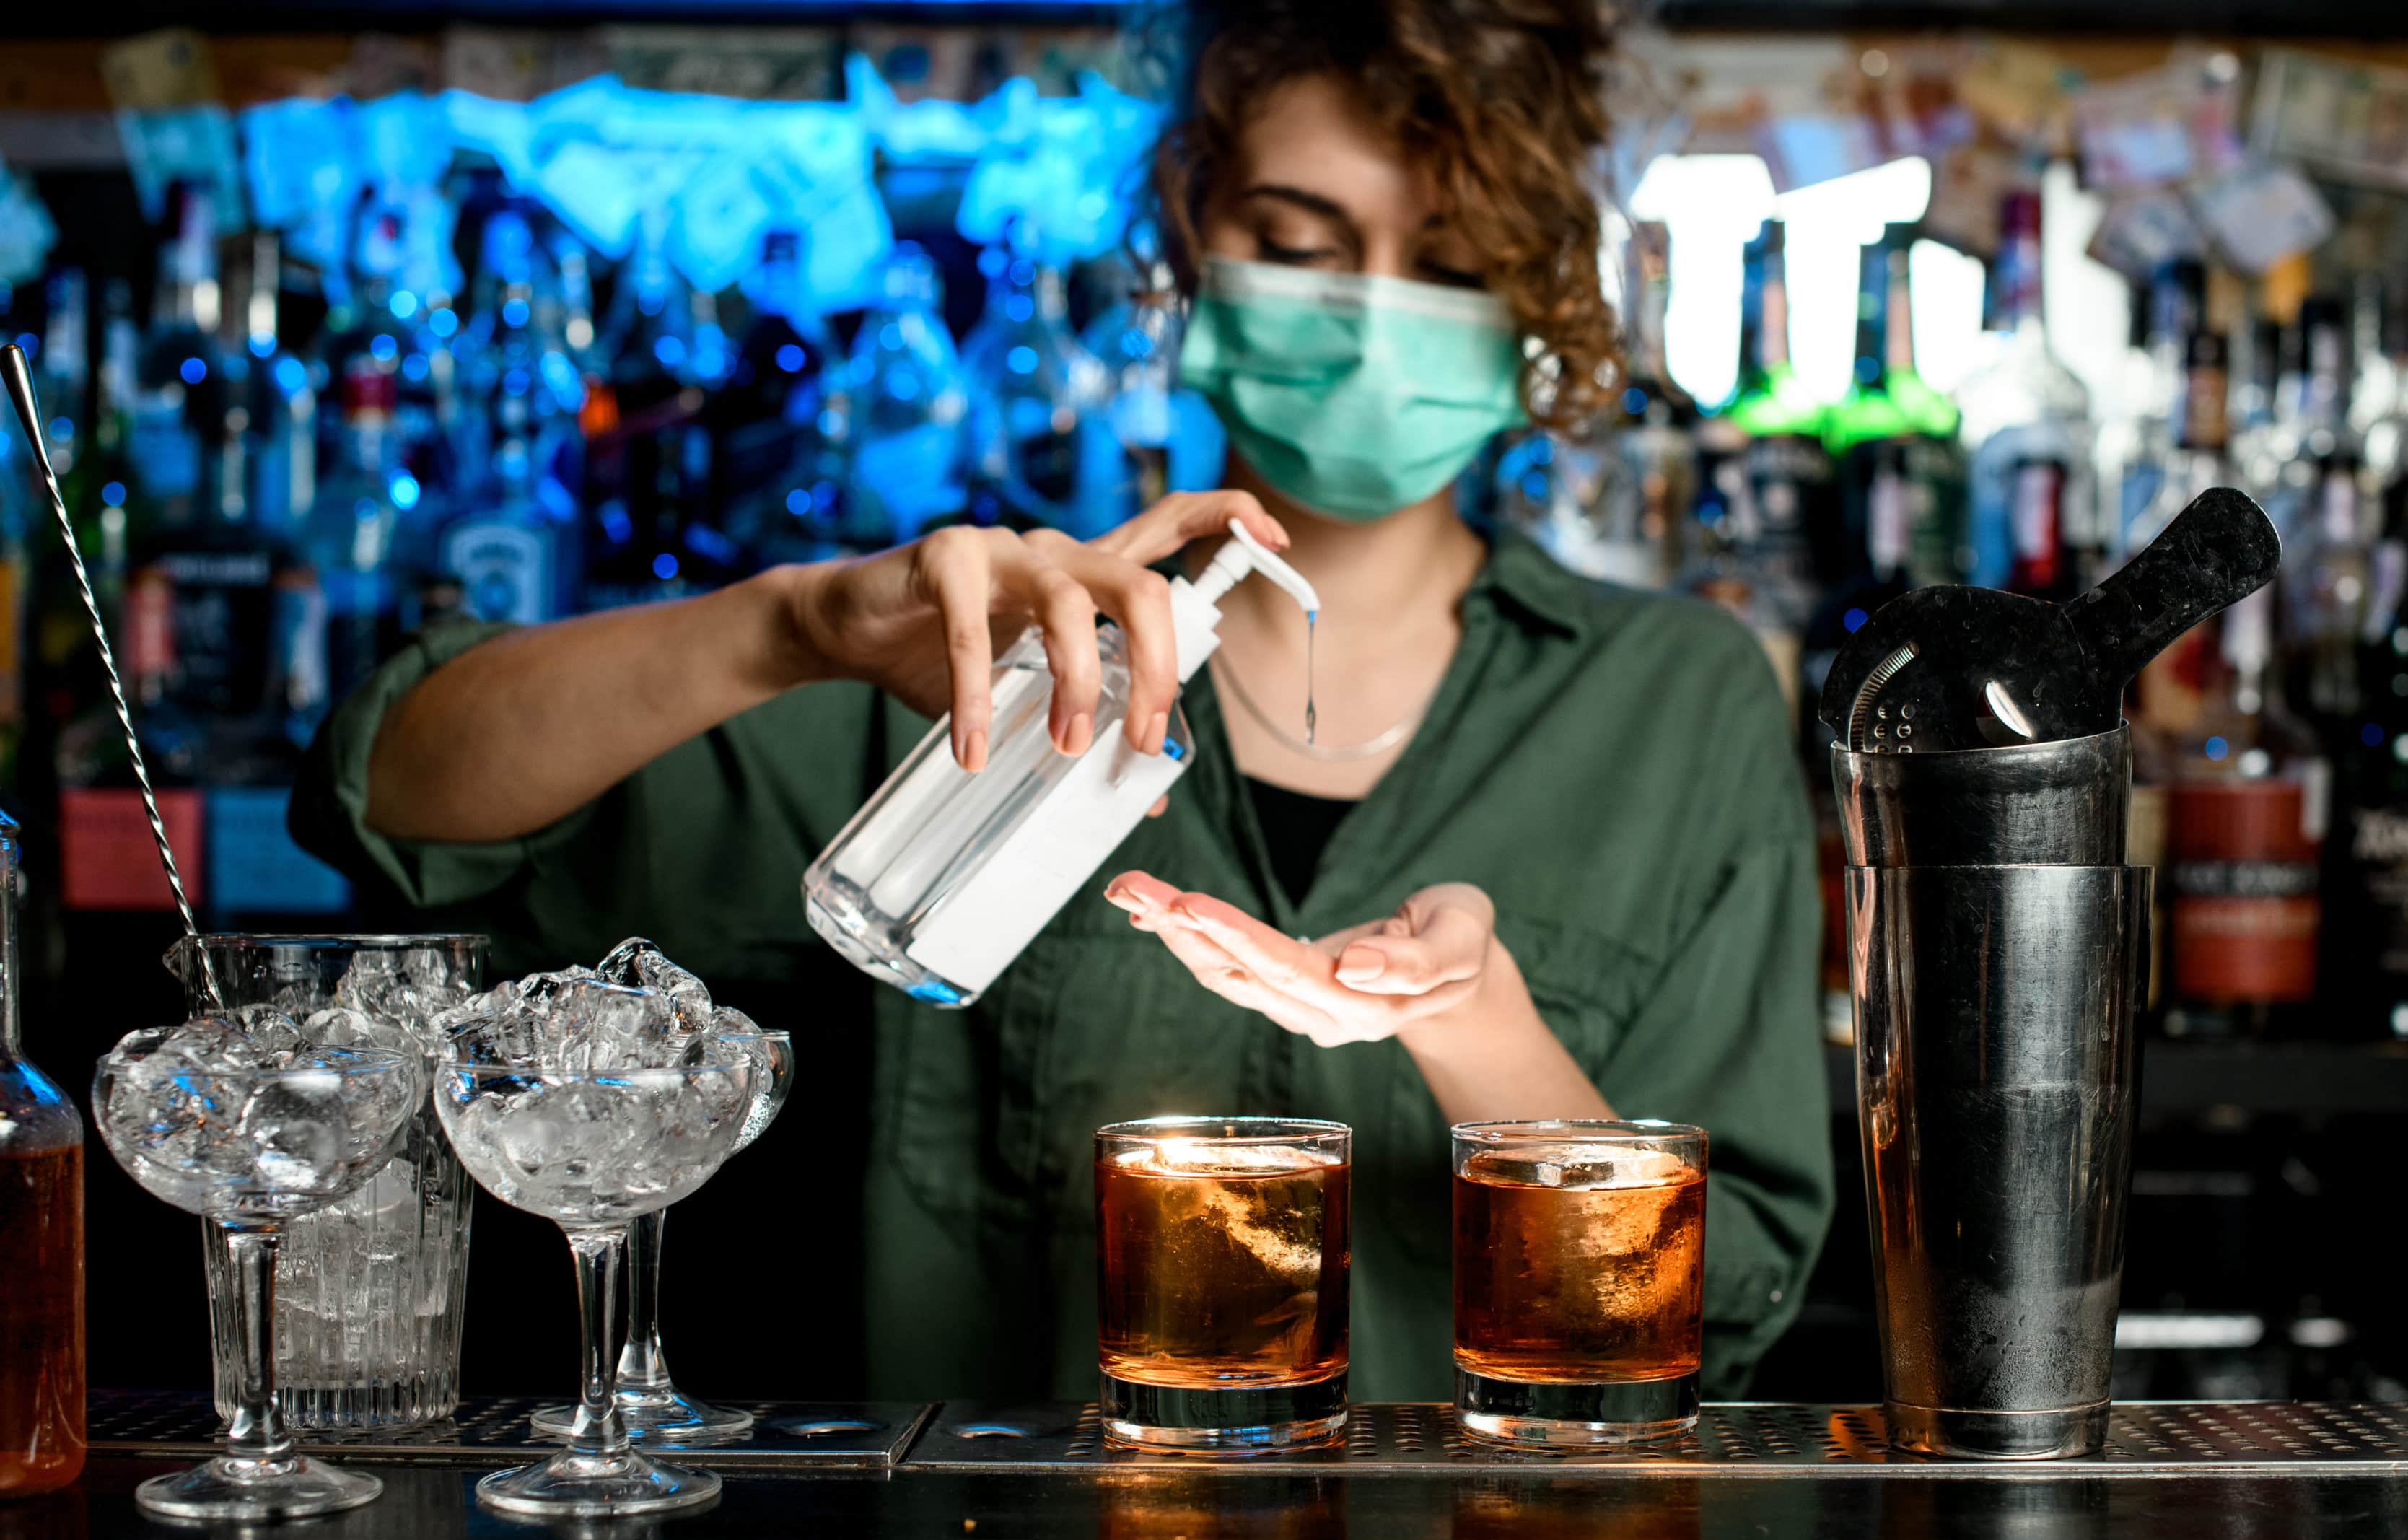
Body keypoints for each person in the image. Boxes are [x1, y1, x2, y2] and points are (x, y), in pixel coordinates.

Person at [294, 0, 1831, 1404]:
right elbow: (403, 807)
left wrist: (1477, 1023)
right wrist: (790, 625)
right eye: (1297, 242)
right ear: (1184, 246)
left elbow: (1731, 1293)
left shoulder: (1675, 702)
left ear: (1536, 302)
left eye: (1448, 267)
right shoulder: (972, 651)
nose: (1372, 317)